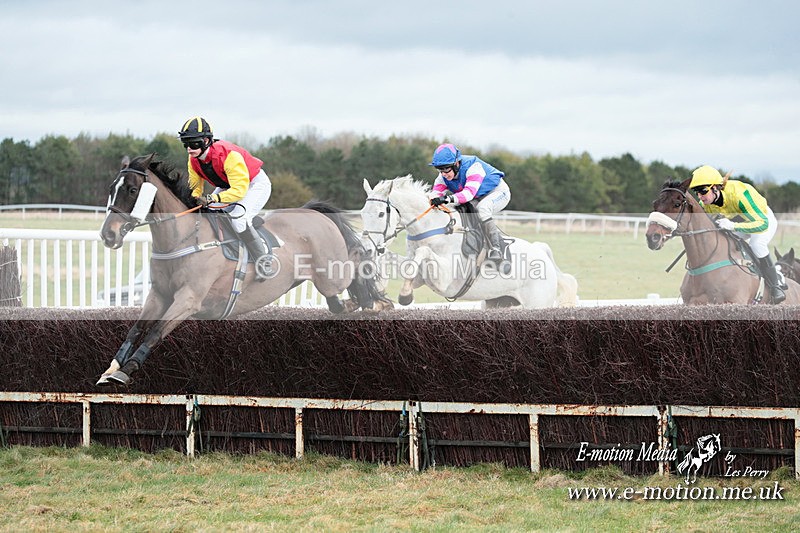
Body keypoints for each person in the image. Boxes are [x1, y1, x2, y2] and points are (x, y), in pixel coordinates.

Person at [178, 116, 273, 281]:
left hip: (254, 184)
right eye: (185, 144)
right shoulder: (193, 159)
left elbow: (239, 190)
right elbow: (195, 187)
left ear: (206, 140)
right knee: (207, 213)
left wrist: (211, 198)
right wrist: (194, 200)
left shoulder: (229, 155)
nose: (189, 149)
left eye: (193, 144)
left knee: (239, 220)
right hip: (228, 185)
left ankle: (264, 262)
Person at [689, 164, 786, 303]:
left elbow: (762, 223)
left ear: (716, 187)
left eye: (703, 191)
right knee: (727, 242)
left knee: (756, 244)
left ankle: (776, 285)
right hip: (739, 221)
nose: (700, 196)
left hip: (762, 219)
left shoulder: (739, 194)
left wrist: (733, 225)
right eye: (696, 192)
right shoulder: (706, 203)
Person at [428, 143, 510, 266]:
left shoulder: (473, 167)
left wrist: (446, 199)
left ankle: (496, 249)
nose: (443, 174)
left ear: (456, 164)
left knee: (483, 209)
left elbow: (468, 195)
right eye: (440, 169)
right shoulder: (442, 176)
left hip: (498, 192)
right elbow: (434, 194)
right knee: (461, 209)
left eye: (446, 169)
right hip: (477, 195)